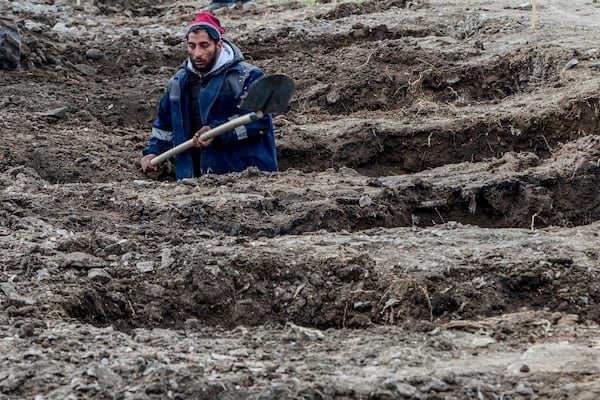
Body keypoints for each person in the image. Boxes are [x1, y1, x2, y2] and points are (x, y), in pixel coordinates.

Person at [140, 12, 277, 179]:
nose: (197, 53)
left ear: (218, 45)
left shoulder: (247, 77)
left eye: (204, 45)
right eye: (192, 46)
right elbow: (165, 126)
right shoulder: (178, 82)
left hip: (243, 176)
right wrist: (154, 152)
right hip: (191, 181)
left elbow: (259, 122)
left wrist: (217, 132)